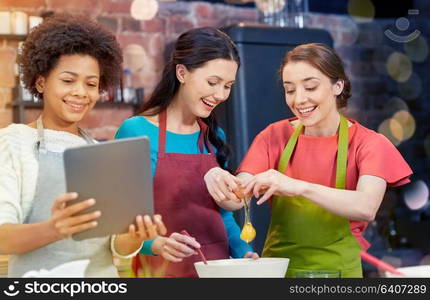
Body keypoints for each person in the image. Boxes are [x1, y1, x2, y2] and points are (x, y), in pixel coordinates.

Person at [205, 43, 413, 277]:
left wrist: (297, 186)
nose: (299, 100)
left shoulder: (369, 143)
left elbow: (365, 207)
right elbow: (237, 197)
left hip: (339, 273)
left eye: (310, 87)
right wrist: (216, 176)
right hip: (279, 272)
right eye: (290, 90)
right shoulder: (274, 136)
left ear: (338, 86)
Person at [0, 14, 166, 278]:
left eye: (91, 84)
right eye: (68, 80)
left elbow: (115, 247)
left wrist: (135, 236)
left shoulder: (102, 153)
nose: (80, 92)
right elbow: (2, 238)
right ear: (41, 82)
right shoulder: (14, 142)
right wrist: (54, 229)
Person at [115, 27, 258, 278]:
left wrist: (243, 252)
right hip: (159, 273)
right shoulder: (136, 131)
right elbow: (122, 221)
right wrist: (156, 243)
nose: (221, 95)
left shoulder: (214, 137)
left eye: (228, 86)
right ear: (182, 72)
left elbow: (222, 216)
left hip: (218, 272)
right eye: (213, 83)